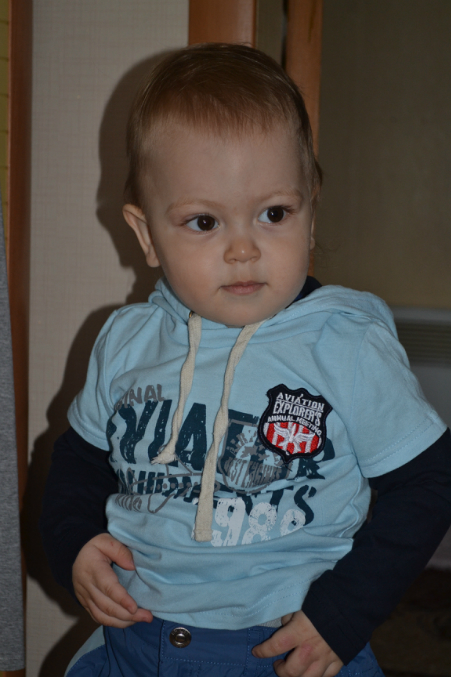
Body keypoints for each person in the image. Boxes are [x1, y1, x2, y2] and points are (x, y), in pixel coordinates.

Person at [40, 44, 451, 677]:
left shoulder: (344, 345)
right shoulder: (125, 341)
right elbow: (79, 460)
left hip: (287, 646)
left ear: (310, 212)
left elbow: (428, 483)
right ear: (146, 234)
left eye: (273, 214)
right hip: (136, 645)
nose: (242, 249)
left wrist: (343, 615)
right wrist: (74, 542)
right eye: (204, 222)